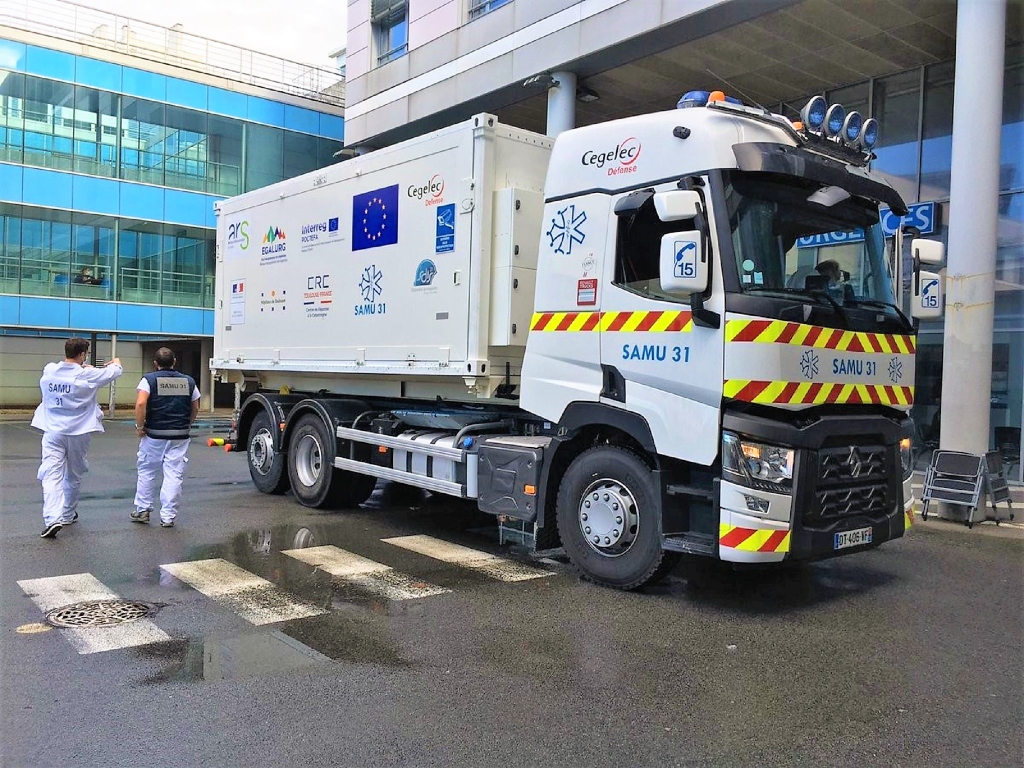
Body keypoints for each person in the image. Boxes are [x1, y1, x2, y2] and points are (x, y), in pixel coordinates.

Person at [31, 338, 123, 538]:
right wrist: (116, 362)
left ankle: (52, 518)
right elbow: (114, 372)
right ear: (82, 354)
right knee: (73, 474)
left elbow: (68, 370)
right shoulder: (88, 374)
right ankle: (67, 514)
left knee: (50, 474)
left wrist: (83, 366)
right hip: (79, 432)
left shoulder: (50, 370)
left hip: (53, 430)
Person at [132, 347, 200, 528]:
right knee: (174, 473)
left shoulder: (149, 380)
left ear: (155, 364)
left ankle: (143, 510)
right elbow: (195, 406)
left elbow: (140, 403)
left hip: (154, 434)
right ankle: (168, 516)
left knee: (147, 470)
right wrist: (187, 423)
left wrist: (140, 427)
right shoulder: (189, 381)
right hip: (180, 434)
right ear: (174, 362)